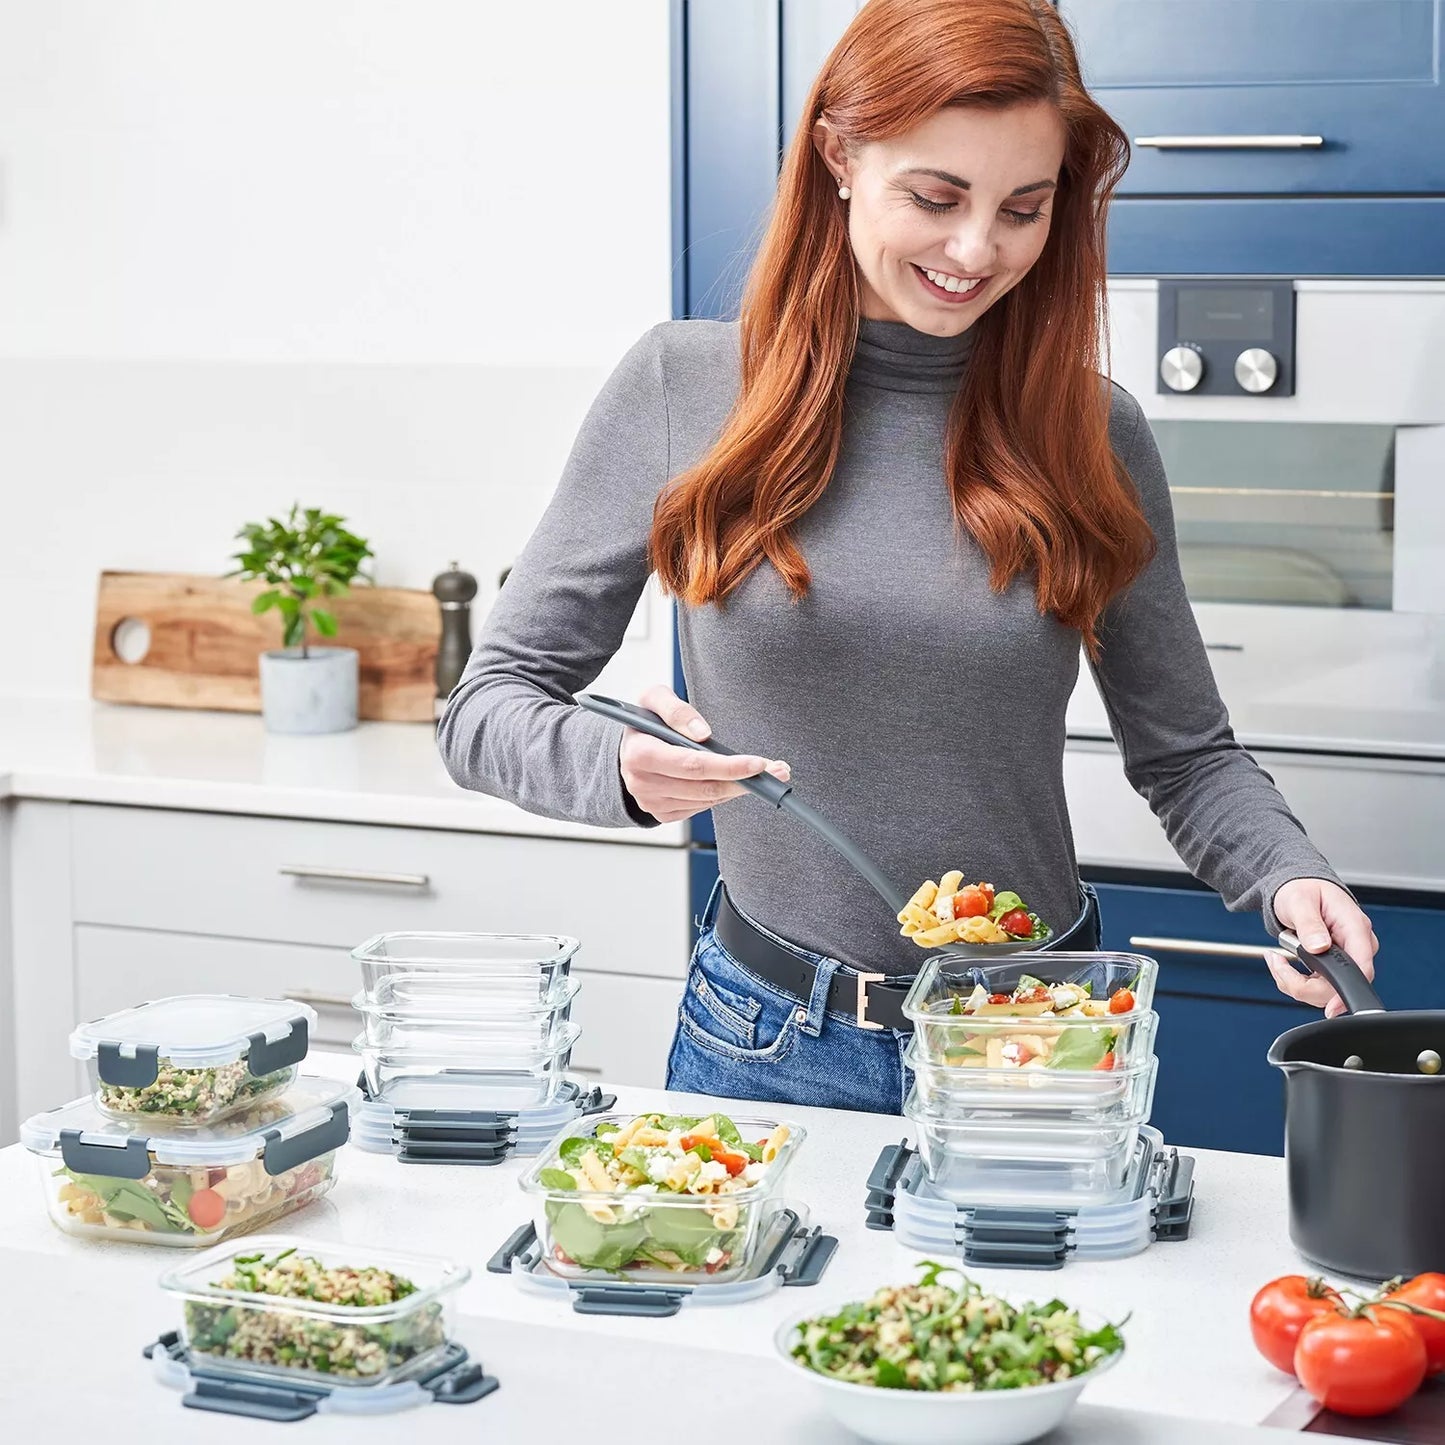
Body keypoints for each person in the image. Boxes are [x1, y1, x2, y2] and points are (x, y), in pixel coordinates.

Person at [438, 0, 1378, 1113]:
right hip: (766, 1038)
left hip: (1036, 1038)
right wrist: (622, 773)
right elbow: (484, 708)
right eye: (935, 197)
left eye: (1021, 210)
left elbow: (1185, 754)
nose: (976, 249)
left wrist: (1286, 872)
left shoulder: (1092, 430)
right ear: (838, 154)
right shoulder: (683, 388)